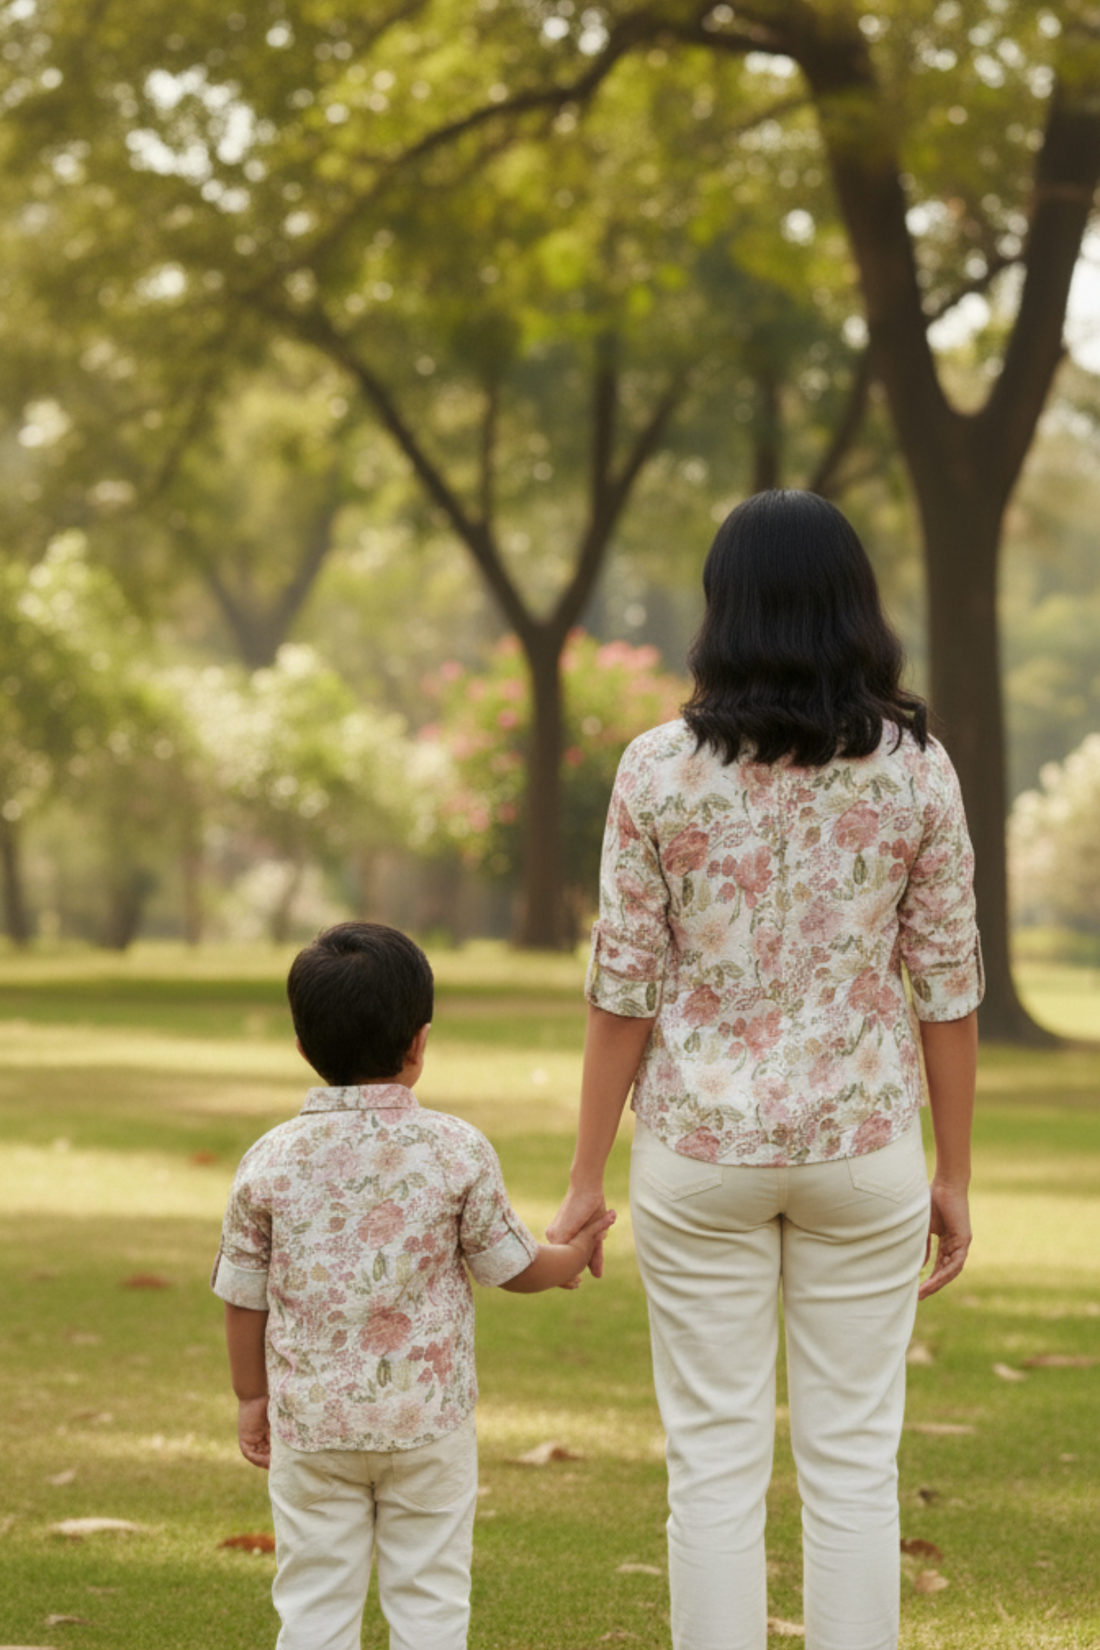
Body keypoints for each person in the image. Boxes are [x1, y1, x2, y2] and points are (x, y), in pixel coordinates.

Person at [547, 489, 982, 1650]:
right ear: (855, 608)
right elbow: (945, 987)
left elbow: (620, 987)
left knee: (712, 1467)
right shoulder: (914, 771)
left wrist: (587, 1178)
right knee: (852, 1464)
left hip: (699, 1154)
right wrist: (954, 1173)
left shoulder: (655, 770)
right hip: (862, 1148)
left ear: (720, 610)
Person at [211, 920, 613, 1650]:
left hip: (313, 1427)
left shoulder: (267, 1162)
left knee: (313, 1603)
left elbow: (245, 1295)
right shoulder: (454, 1150)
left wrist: (251, 1397)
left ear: (303, 1047)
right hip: (427, 1425)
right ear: (420, 1043)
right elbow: (512, 1266)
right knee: (429, 1599)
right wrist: (571, 1253)